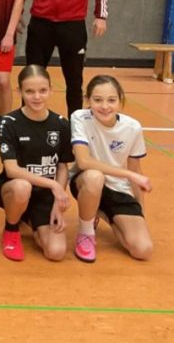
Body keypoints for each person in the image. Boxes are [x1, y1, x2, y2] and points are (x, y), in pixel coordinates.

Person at [69, 75, 152, 262]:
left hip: (118, 188)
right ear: (88, 100)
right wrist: (128, 174)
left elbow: (136, 170)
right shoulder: (80, 118)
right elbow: (83, 161)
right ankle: (86, 232)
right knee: (95, 177)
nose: (104, 106)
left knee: (142, 250)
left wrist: (141, 211)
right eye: (97, 100)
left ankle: (103, 213)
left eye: (111, 100)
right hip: (86, 181)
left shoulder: (133, 127)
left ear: (120, 100)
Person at [0, 65, 72, 262]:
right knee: (22, 186)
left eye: (42, 90)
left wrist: (57, 204)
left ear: (51, 90)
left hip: (43, 195)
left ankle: (29, 219)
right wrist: (53, 185)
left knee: (56, 252)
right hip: (13, 188)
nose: (37, 97)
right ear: (20, 92)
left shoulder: (61, 124)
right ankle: (11, 229)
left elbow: (63, 166)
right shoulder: (9, 122)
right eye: (30, 91)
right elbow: (11, 170)